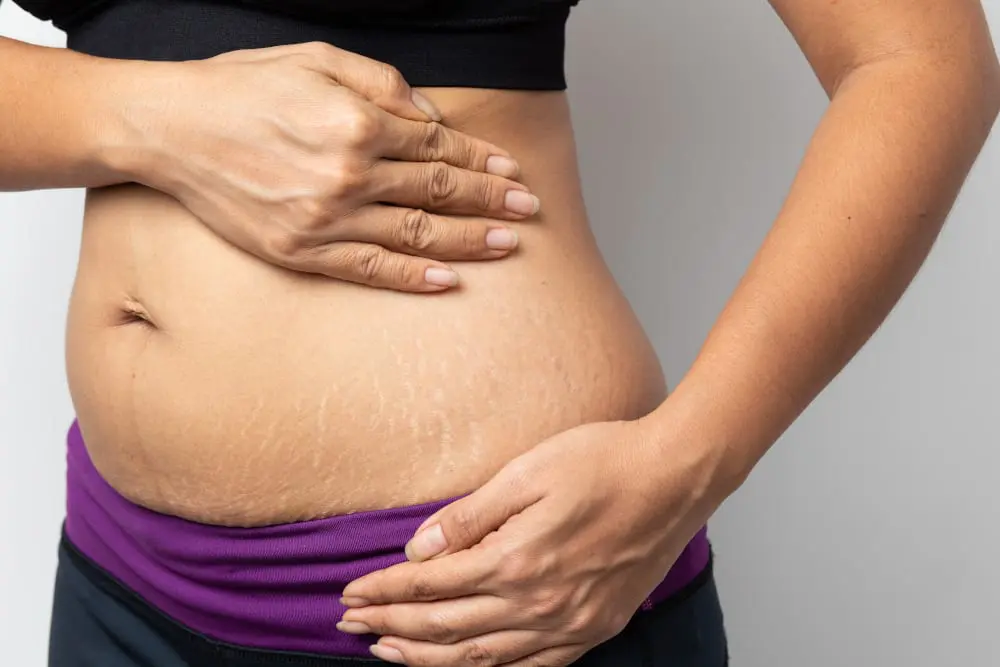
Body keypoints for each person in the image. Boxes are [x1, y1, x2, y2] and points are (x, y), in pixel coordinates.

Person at [2, 0, 997, 665]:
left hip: (499, 603)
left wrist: (692, 457)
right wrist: (149, 114)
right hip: (119, 590)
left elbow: (916, 57)